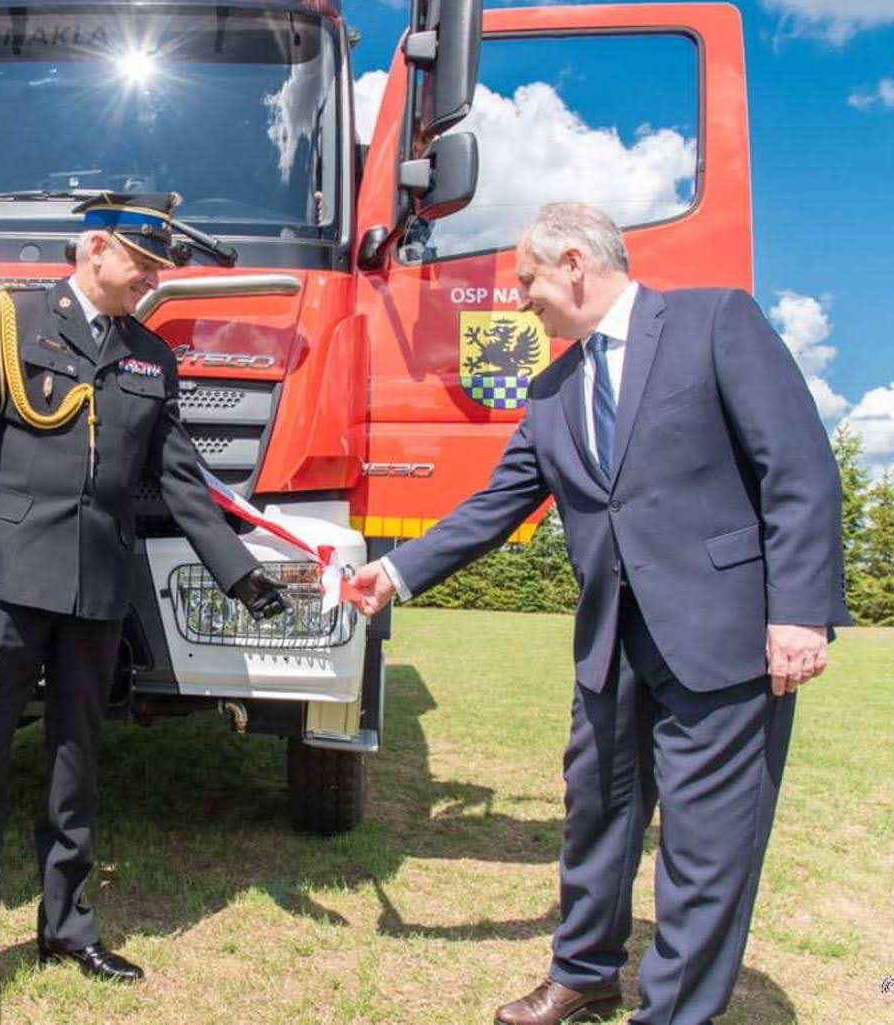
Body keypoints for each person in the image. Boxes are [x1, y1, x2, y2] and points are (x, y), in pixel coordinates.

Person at [351, 202, 850, 1025]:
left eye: (528, 280)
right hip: (611, 644)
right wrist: (396, 573)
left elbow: (797, 468)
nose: (522, 300)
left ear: (574, 264)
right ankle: (583, 972)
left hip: (724, 638)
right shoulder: (551, 390)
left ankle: (674, 1011)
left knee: (706, 843)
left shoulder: (713, 322)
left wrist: (798, 612)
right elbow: (495, 506)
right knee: (595, 814)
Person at [0, 192, 288, 1025]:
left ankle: (66, 926)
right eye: (143, 265)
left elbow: (181, 478)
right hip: (7, 583)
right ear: (96, 250)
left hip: (96, 588)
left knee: (76, 763)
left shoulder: (149, 357)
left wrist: (239, 573)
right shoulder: (11, 320)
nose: (152, 281)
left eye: (159, 269)